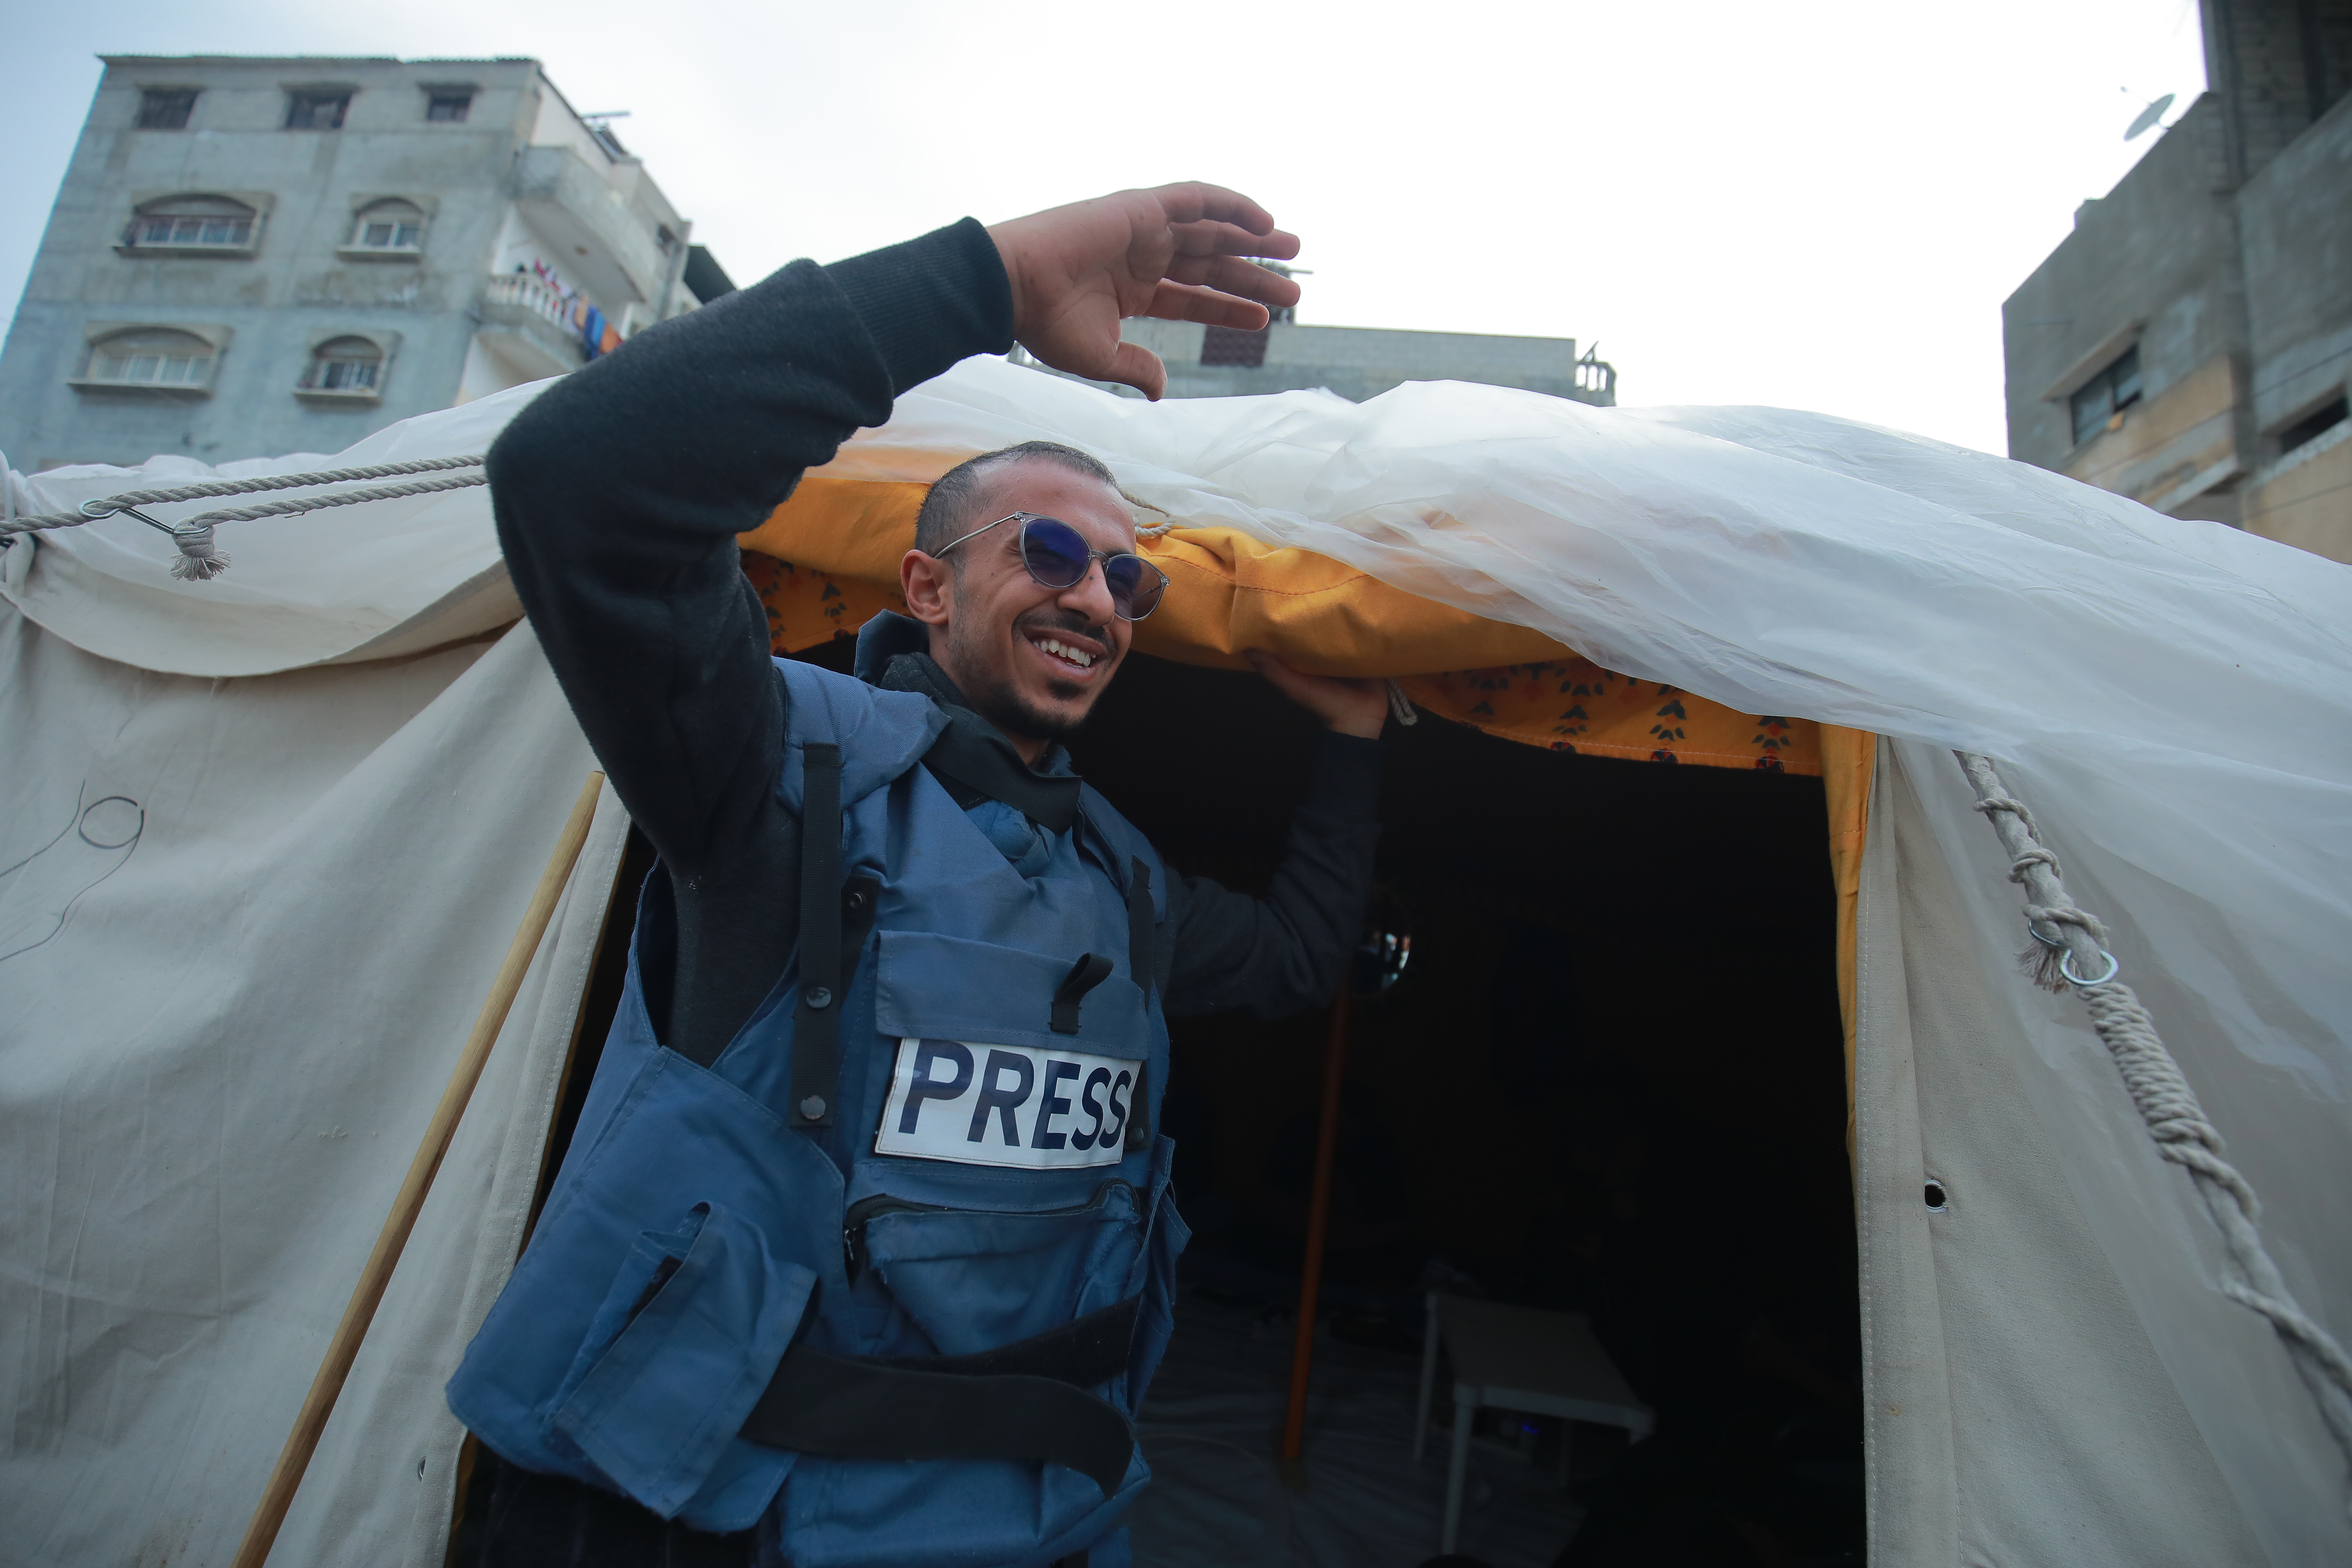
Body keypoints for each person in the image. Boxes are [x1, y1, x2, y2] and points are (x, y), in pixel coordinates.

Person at [445, 184, 1391, 1568]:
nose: (1094, 598)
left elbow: (1306, 955)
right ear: (929, 587)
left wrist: (1359, 744)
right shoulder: (771, 776)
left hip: (1040, 1514)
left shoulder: (1120, 881)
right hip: (728, 1522)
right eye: (1049, 552)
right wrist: (991, 282)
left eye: (1127, 580)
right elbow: (582, 480)